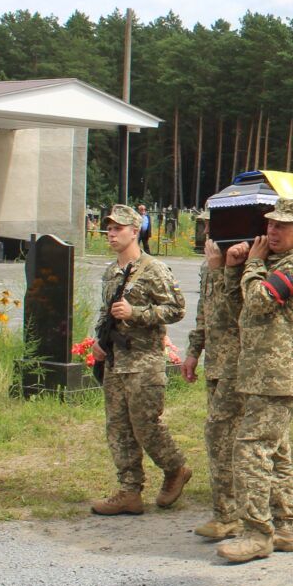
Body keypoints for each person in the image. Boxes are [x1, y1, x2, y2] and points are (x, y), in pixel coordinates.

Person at [215, 197, 293, 562]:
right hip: (260, 372)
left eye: (282, 227)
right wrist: (234, 269)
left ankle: (257, 533)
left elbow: (260, 301)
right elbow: (238, 308)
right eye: (271, 224)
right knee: (274, 451)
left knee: (251, 448)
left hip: (279, 372)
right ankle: (287, 527)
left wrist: (254, 264)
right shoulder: (271, 263)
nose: (272, 231)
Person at [89, 204, 191, 518]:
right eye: (109, 228)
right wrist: (99, 340)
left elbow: (176, 309)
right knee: (118, 427)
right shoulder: (111, 272)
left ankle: (175, 467)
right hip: (116, 361)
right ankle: (129, 491)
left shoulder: (153, 269)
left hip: (144, 362)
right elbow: (106, 311)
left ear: (135, 231)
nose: (111, 234)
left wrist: (136, 313)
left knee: (146, 425)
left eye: (118, 228)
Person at [182, 235, 243, 540]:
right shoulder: (210, 264)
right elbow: (205, 311)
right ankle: (228, 511)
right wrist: (194, 350)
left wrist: (222, 269)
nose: (208, 234)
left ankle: (230, 514)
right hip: (216, 363)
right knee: (220, 438)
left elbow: (235, 311)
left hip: (238, 363)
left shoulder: (243, 263)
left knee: (222, 435)